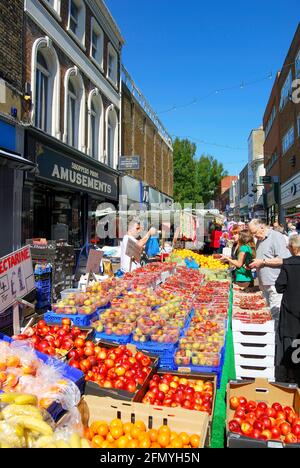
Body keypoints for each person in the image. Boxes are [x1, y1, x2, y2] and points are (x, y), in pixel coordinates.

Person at [249, 219, 291, 329]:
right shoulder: (260, 238)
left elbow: (283, 259)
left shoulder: (276, 237)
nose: (254, 236)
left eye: (255, 233)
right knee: (268, 314)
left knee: (275, 314)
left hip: (274, 283)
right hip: (265, 284)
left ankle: (277, 341)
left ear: (262, 227)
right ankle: (270, 339)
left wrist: (262, 262)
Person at [275, 235, 300, 384]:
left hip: (290, 309)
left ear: (293, 247)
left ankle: (291, 373)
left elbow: (279, 287)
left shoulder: (288, 264)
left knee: (290, 340)